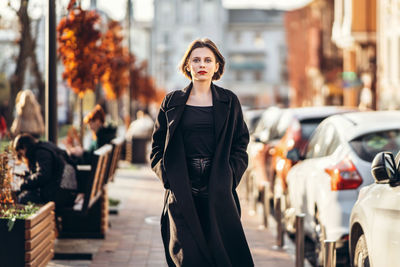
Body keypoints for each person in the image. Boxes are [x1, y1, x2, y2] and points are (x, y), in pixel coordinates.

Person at [150, 38, 254, 267]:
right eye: (196, 60)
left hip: (218, 192)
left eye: (208, 60)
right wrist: (167, 178)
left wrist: (230, 176)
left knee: (222, 257)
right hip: (182, 190)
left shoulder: (229, 101)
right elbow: (157, 146)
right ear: (187, 65)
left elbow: (241, 143)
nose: (202, 65)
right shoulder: (172, 101)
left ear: (217, 66)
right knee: (186, 258)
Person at [13, 133, 77, 210]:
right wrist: (28, 176)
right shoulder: (46, 146)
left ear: (24, 147)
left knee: (22, 199)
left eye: (20, 153)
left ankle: (26, 222)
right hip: (67, 191)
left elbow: (43, 176)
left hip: (60, 194)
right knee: (23, 194)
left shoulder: (41, 152)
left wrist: (23, 183)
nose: (22, 156)